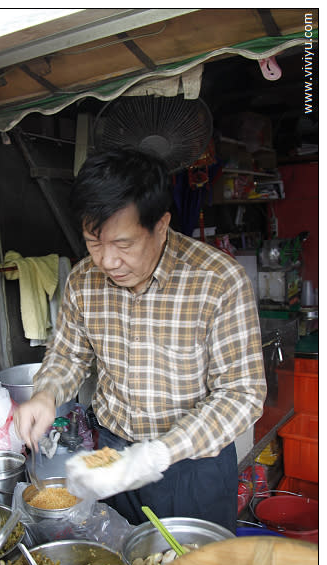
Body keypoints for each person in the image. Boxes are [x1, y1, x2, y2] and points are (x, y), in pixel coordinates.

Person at [14, 147, 266, 533]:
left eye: (124, 244)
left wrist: (158, 454)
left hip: (192, 465)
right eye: (93, 242)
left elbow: (242, 393)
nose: (107, 261)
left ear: (161, 225)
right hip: (111, 456)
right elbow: (68, 354)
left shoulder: (217, 280)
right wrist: (46, 394)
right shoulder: (84, 281)